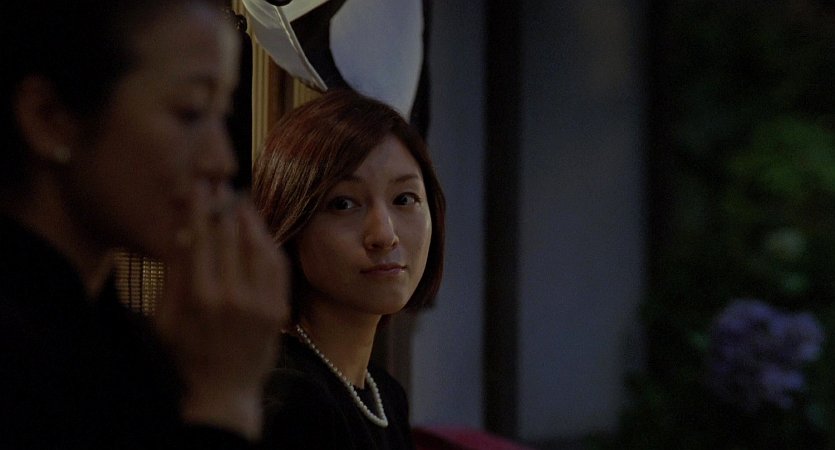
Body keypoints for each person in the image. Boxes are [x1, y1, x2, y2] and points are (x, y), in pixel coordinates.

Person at [0, 1, 290, 449]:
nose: (221, 161)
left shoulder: (116, 337)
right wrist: (223, 399)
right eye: (191, 112)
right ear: (49, 119)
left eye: (222, 114)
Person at [252, 89, 446, 450]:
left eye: (404, 199)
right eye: (343, 204)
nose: (384, 235)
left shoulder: (385, 395)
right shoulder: (290, 403)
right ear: (289, 223)